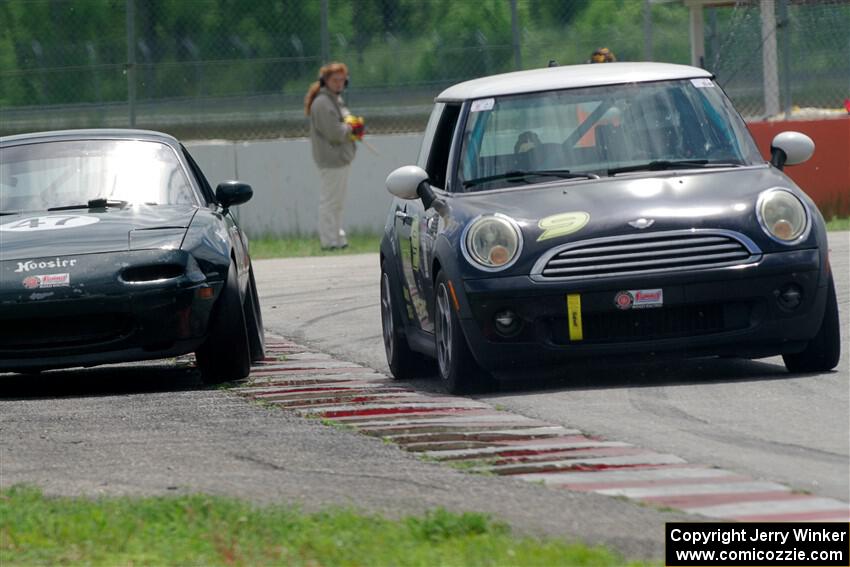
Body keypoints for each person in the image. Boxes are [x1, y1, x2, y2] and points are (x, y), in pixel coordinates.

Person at [304, 62, 364, 250]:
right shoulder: (322, 103)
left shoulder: (334, 100)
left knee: (338, 202)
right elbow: (335, 133)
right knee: (330, 201)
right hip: (331, 160)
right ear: (325, 81)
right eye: (335, 80)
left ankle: (338, 238)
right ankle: (328, 241)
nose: (339, 83)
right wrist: (352, 127)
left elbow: (343, 123)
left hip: (340, 159)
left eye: (342, 80)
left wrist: (351, 126)